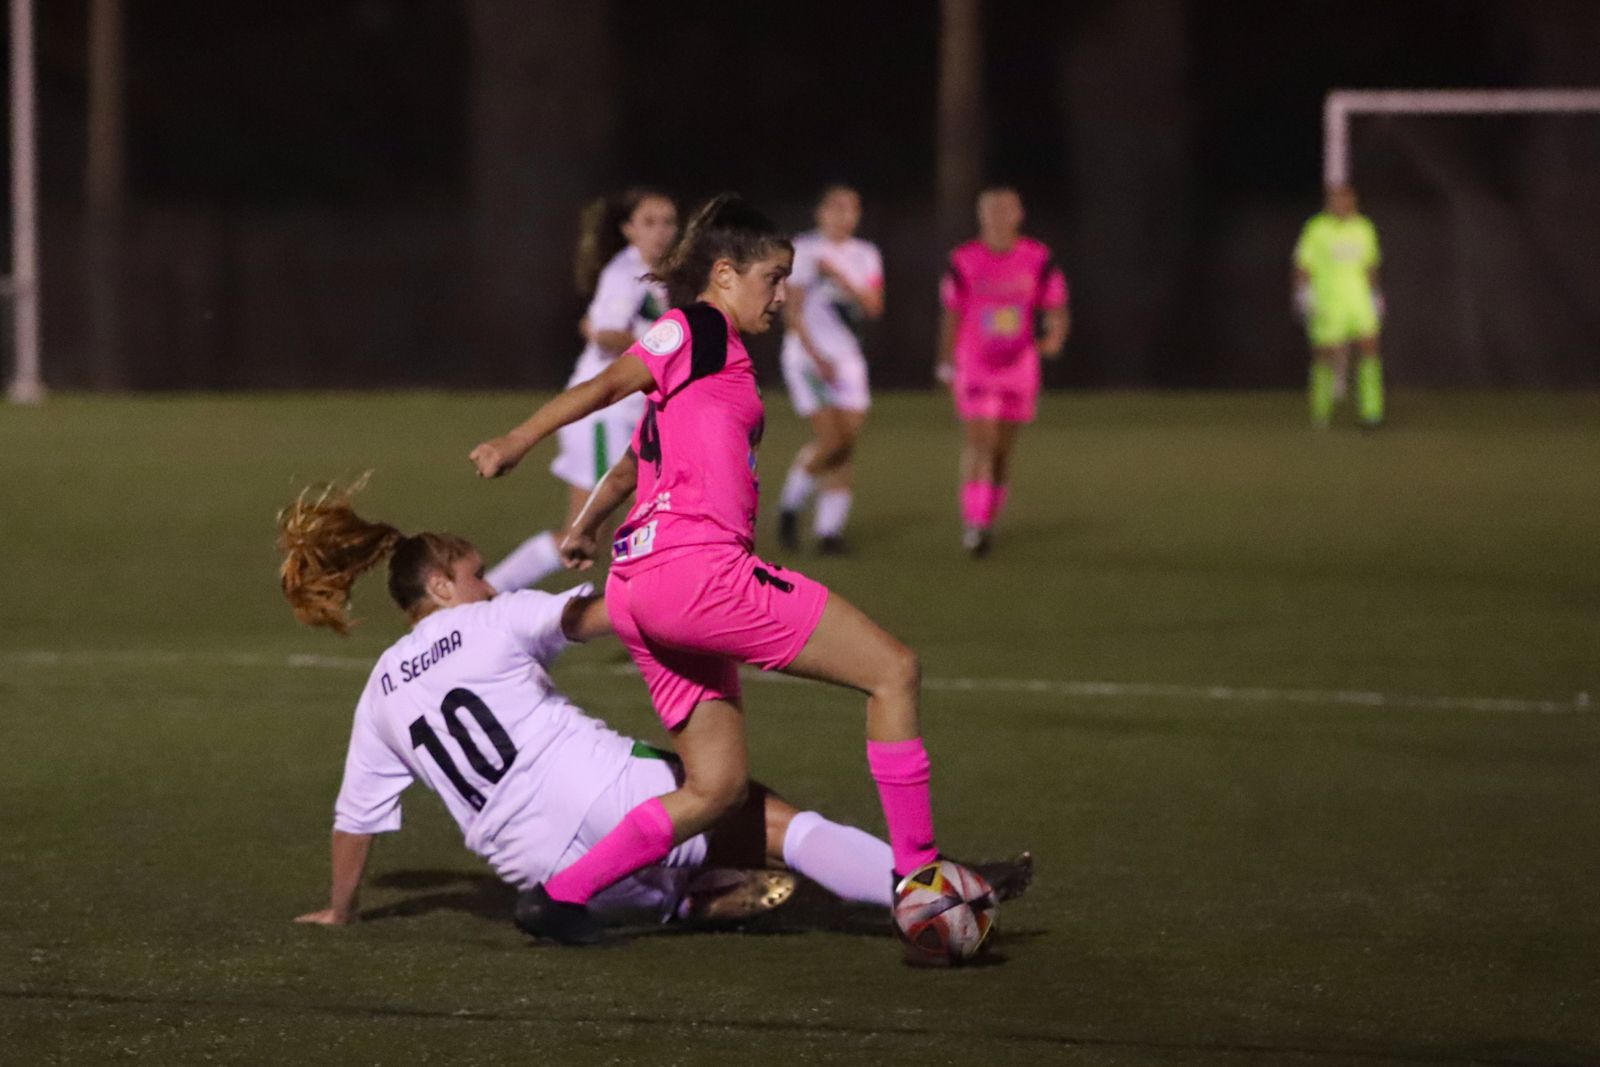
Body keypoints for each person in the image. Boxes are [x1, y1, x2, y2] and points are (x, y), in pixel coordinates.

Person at [470, 194, 999, 948]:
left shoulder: (709, 360)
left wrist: (585, 526)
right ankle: (921, 882)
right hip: (700, 574)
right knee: (895, 671)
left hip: (639, 591)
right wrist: (516, 440)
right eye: (773, 278)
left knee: (715, 788)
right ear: (724, 274)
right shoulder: (697, 326)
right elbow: (610, 383)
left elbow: (632, 459)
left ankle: (561, 895)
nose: (783, 295)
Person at [277, 479, 939, 938]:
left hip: (539, 868)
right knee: (770, 819)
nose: (491, 582)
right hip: (608, 796)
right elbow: (604, 615)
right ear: (443, 587)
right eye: (477, 573)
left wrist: (341, 911)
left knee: (679, 862)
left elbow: (354, 821)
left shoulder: (380, 690)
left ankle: (686, 897)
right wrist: (687, 600)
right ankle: (927, 892)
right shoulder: (493, 618)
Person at [487, 189, 678, 594]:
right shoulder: (624, 273)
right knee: (589, 533)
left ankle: (655, 617)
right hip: (602, 416)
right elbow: (605, 335)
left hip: (626, 415)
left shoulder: (656, 275)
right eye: (650, 222)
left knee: (642, 523)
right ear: (628, 229)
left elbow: (594, 325)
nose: (662, 231)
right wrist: (667, 343)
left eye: (668, 221)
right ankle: (487, 593)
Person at [937, 187, 1069, 558]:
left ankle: (987, 519)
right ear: (981, 216)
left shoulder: (1037, 258)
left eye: (1004, 210)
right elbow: (951, 313)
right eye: (990, 210)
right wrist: (945, 363)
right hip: (975, 366)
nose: (997, 217)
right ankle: (975, 526)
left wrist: (1055, 335)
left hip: (1019, 367)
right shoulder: (964, 260)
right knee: (980, 443)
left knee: (1001, 453)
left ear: (1018, 215)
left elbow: (1056, 304)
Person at [776, 185, 885, 554]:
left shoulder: (865, 254)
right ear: (820, 212)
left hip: (848, 358)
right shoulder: (804, 249)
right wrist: (816, 356)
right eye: (836, 207)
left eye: (851, 208)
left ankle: (828, 532)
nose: (844, 215)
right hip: (809, 358)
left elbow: (873, 306)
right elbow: (792, 312)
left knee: (844, 446)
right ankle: (790, 507)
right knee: (833, 440)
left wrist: (838, 275)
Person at [1293, 184, 1385, 429]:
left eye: (1347, 200)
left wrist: (1375, 294)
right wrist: (1303, 294)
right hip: (1328, 302)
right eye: (1337, 200)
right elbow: (1303, 263)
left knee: (1369, 348)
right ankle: (1320, 410)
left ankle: (1372, 411)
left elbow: (1371, 264)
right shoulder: (1316, 229)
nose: (1342, 204)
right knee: (1325, 355)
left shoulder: (1364, 228)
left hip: (1358, 300)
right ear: (1330, 202)